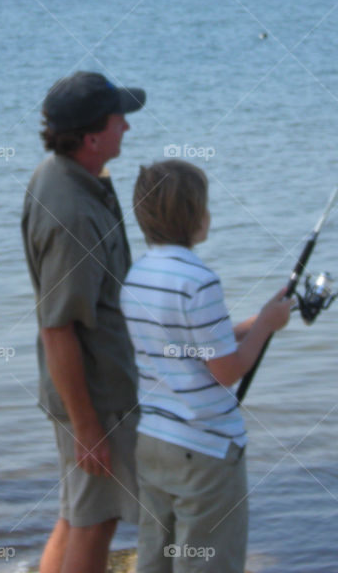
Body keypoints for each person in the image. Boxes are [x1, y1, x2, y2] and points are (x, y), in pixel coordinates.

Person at [120, 160, 293, 573]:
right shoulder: (200, 280)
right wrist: (267, 328)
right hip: (205, 448)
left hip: (152, 441)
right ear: (195, 217)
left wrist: (255, 322)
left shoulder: (136, 275)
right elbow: (227, 371)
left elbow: (180, 341)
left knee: (155, 557)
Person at [21, 71, 146, 573]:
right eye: (120, 121)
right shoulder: (71, 213)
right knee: (97, 520)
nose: (128, 130)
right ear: (92, 136)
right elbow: (58, 327)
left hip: (90, 387)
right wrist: (87, 425)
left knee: (79, 514)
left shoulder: (65, 174)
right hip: (94, 395)